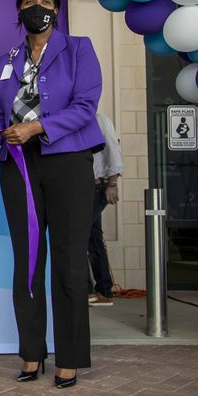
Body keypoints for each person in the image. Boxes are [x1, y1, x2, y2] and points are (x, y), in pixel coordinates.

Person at [0, 0, 104, 389]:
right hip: (17, 166)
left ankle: (68, 357)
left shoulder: (79, 49)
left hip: (66, 161)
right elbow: (0, 112)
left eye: (46, 2)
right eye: (30, 2)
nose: (38, 7)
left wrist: (36, 127)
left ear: (57, 10)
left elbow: (85, 107)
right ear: (19, 12)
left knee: (68, 262)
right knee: (28, 260)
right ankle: (32, 352)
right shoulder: (6, 59)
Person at [88, 113, 122, 307]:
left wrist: (113, 183)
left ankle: (90, 290)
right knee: (93, 239)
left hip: (97, 186)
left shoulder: (100, 120)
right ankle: (103, 290)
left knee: (79, 236)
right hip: (85, 187)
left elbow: (114, 150)